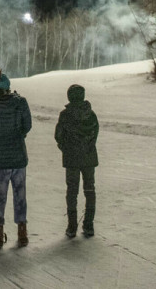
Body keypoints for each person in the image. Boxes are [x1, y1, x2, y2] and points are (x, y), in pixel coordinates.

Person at [0, 68, 32, 249]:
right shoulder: (20, 102)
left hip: (2, 156)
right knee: (20, 193)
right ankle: (22, 231)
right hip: (19, 155)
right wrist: (19, 134)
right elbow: (27, 125)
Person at [54, 84, 99, 238]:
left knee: (72, 191)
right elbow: (95, 133)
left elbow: (58, 135)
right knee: (90, 190)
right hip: (89, 157)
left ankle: (72, 226)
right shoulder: (90, 114)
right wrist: (89, 146)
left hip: (72, 158)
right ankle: (89, 224)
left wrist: (65, 148)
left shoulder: (65, 115)